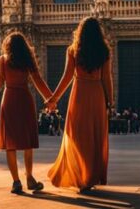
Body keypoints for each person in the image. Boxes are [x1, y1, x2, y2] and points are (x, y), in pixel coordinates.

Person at [0, 32, 53, 194]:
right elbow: (38, 80)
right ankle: (30, 178)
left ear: (7, 46)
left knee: (10, 145)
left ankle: (16, 182)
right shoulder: (28, 59)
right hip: (25, 98)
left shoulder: (3, 60)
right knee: (27, 143)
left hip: (9, 99)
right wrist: (51, 99)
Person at [44, 17, 114, 193]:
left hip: (79, 94)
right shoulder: (104, 51)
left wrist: (54, 98)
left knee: (77, 136)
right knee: (95, 136)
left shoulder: (73, 50)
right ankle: (90, 177)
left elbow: (67, 77)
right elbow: (107, 78)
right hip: (97, 94)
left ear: (80, 32)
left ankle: (81, 176)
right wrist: (110, 102)